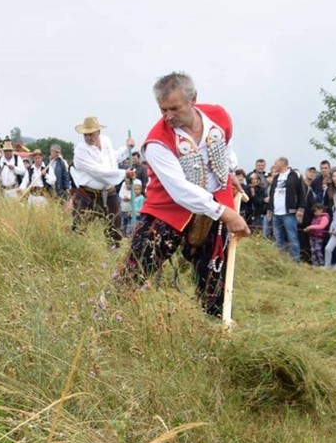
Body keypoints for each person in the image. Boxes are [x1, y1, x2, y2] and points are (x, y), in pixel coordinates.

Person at [120, 72, 249, 317]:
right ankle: (103, 318)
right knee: (133, 270)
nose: (168, 116)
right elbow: (179, 190)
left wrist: (228, 171)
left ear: (193, 100)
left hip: (214, 208)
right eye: (163, 110)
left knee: (213, 274)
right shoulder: (157, 141)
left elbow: (225, 146)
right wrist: (225, 213)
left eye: (174, 108)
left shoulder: (219, 117)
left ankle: (214, 329)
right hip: (167, 212)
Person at [70, 116, 136, 247]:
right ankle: (78, 252)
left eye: (91, 134)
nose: (88, 137)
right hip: (88, 194)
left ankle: (113, 251)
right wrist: (124, 174)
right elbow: (98, 171)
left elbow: (111, 160)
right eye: (85, 135)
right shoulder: (80, 150)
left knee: (115, 222)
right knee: (80, 225)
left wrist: (126, 148)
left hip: (109, 192)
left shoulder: (106, 141)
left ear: (98, 132)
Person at [266, 157, 305, 262]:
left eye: (276, 163)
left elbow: (301, 192)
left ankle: (295, 260)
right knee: (278, 237)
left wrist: (301, 208)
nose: (274, 165)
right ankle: (281, 260)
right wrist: (270, 209)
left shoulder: (294, 175)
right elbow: (272, 194)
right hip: (276, 212)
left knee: (292, 237)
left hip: (289, 212)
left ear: (282, 163)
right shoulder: (276, 177)